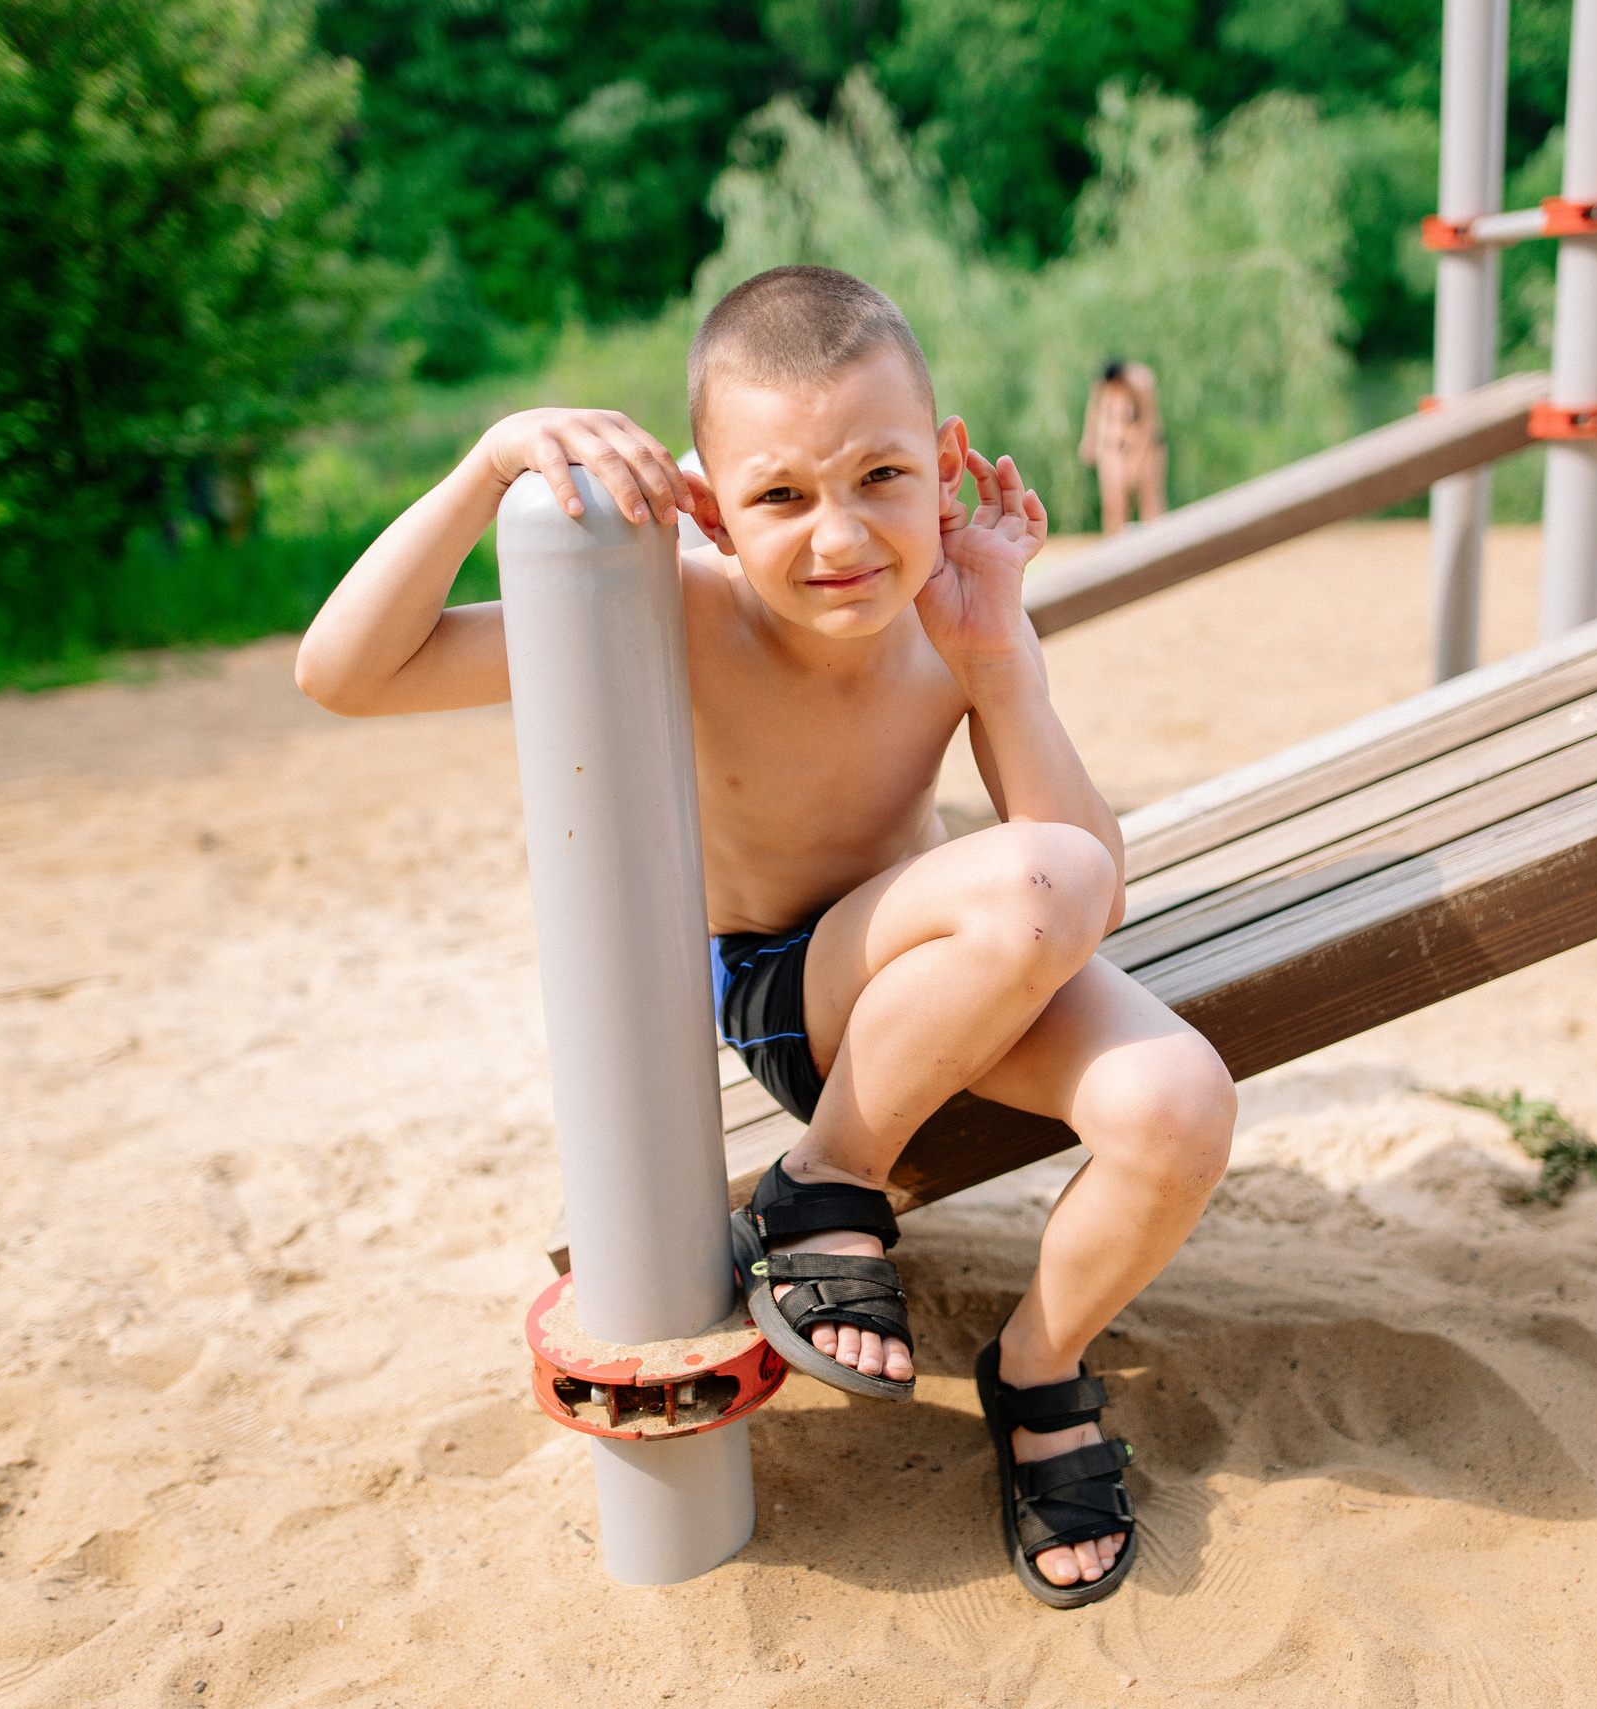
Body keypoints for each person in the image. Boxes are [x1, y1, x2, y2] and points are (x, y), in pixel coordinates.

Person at [295, 266, 1235, 1608]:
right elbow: (343, 674)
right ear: (707, 510)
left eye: (881, 478)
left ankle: (1036, 1367)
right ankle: (825, 1178)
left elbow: (1095, 882)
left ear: (943, 461)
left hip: (964, 964)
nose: (839, 534)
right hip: (795, 996)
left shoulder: (951, 614)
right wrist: (485, 464)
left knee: (1180, 1101)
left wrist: (998, 656)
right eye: (782, 496)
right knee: (1037, 881)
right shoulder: (667, 605)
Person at [1078, 359, 1168, 535]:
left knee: (1149, 501)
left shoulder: (1141, 383)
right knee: (1114, 502)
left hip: (1146, 446)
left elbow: (1149, 425)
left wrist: (1137, 462)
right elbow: (1094, 411)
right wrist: (1089, 441)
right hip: (1114, 447)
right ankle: (1115, 543)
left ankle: (1158, 544)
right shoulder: (1103, 385)